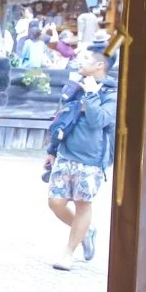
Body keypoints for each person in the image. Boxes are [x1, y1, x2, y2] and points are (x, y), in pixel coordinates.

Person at [46, 49, 117, 271]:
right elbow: (62, 119)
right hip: (66, 154)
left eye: (86, 59)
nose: (80, 60)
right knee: (55, 203)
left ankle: (69, 253)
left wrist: (92, 94)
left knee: (82, 205)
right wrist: (52, 149)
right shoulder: (75, 87)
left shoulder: (111, 94)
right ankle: (86, 231)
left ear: (99, 66)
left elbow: (99, 122)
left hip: (91, 160)